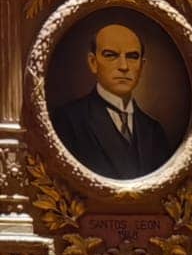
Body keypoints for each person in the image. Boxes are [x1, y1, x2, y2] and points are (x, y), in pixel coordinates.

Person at [49, 21, 175, 179]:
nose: (123, 66)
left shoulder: (154, 131)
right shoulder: (68, 120)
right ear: (93, 63)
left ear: (141, 66)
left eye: (132, 56)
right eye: (111, 55)